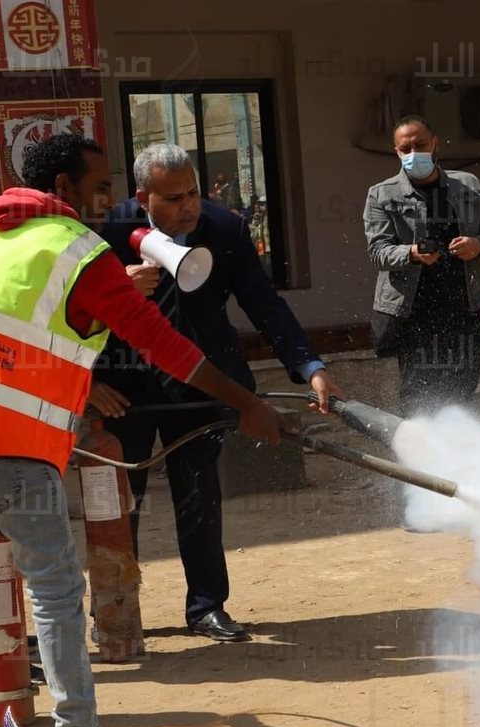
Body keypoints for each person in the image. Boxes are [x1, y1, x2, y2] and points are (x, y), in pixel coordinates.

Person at [0, 133, 290, 727]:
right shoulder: (78, 250)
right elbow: (164, 345)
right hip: (7, 443)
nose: (109, 199)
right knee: (54, 593)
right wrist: (246, 403)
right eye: (99, 185)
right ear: (65, 189)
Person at [92, 143, 342, 643]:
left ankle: (206, 608)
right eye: (173, 198)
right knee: (120, 504)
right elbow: (64, 310)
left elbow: (263, 304)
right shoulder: (108, 231)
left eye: (194, 193)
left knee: (200, 497)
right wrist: (90, 377)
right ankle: (116, 615)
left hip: (204, 384)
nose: (189, 207)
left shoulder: (224, 229)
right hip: (123, 391)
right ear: (143, 197)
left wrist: (309, 366)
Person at [363, 115, 480, 418]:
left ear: (435, 143)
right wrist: (412, 253)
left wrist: (477, 245)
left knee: (461, 393)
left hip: (465, 309)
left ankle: (455, 462)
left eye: (420, 145)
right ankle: (421, 463)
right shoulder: (382, 194)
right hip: (414, 314)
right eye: (406, 148)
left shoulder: (468, 185)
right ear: (397, 152)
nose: (414, 153)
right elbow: (377, 252)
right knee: (418, 397)